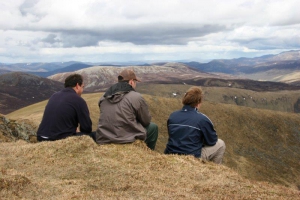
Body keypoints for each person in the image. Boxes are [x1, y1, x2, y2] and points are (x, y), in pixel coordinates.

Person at [95, 69, 158, 150]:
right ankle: (149, 153)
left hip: (104, 138)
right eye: (135, 82)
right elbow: (146, 121)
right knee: (153, 127)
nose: (135, 84)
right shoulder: (136, 97)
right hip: (126, 139)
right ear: (131, 82)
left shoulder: (103, 98)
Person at [164, 86, 225, 164]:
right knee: (221, 144)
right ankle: (214, 171)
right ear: (198, 102)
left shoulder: (173, 115)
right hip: (192, 158)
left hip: (170, 154)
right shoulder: (202, 119)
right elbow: (212, 141)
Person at [37, 74, 94, 141]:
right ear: (77, 85)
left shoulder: (54, 96)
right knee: (95, 135)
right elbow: (87, 128)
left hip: (41, 137)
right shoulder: (78, 100)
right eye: (82, 87)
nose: (82, 90)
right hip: (59, 139)